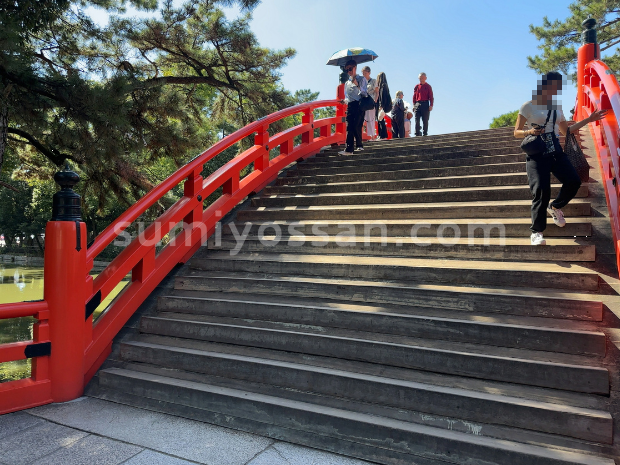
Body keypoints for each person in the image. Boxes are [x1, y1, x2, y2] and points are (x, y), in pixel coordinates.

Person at [514, 71, 607, 246]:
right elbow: (516, 132)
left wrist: (589, 119)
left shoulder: (557, 107)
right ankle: (537, 231)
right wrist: (529, 132)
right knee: (541, 191)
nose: (557, 89)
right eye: (555, 85)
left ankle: (555, 207)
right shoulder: (528, 106)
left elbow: (567, 131)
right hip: (537, 153)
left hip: (555, 150)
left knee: (573, 180)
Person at [339, 60, 368, 155]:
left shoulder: (361, 79)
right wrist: (344, 101)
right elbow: (348, 97)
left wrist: (357, 85)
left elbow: (364, 93)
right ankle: (349, 149)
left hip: (359, 105)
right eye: (346, 70)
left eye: (350, 69)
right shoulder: (347, 83)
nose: (348, 71)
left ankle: (359, 145)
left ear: (355, 67)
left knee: (357, 125)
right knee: (350, 126)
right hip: (350, 106)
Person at [362, 66, 378, 140]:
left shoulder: (374, 81)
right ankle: (359, 135)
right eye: (363, 73)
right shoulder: (362, 82)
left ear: (369, 73)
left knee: (371, 118)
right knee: (362, 118)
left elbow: (376, 91)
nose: (364, 75)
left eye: (365, 73)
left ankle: (372, 136)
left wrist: (375, 100)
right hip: (364, 101)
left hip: (371, 100)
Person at [376, 72, 392, 140]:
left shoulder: (382, 86)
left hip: (381, 106)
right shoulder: (385, 85)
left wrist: (381, 106)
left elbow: (382, 97)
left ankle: (382, 135)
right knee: (381, 120)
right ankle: (383, 135)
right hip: (384, 106)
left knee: (380, 120)